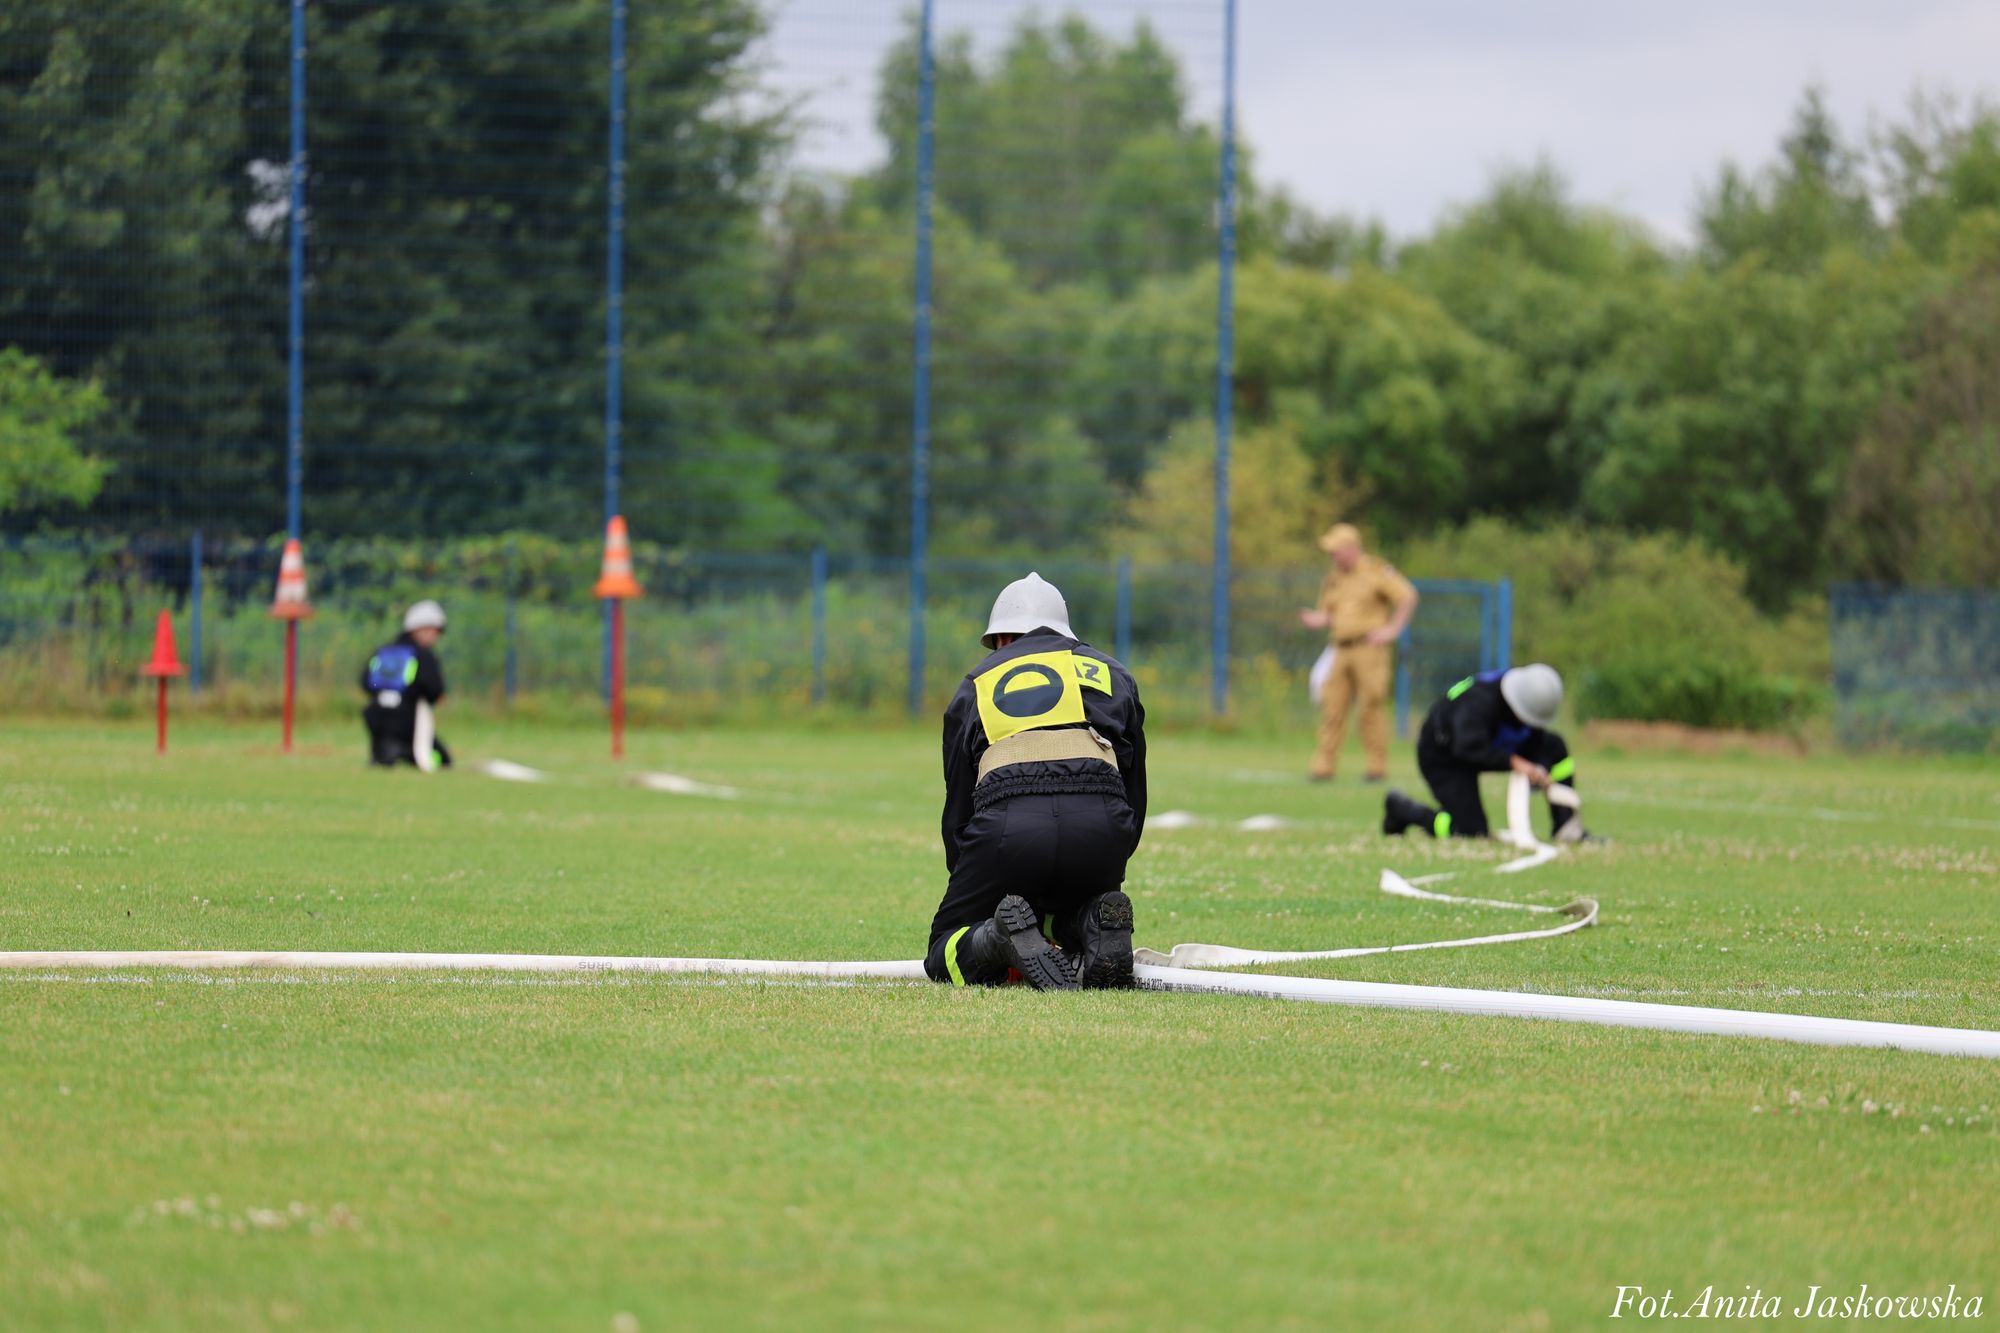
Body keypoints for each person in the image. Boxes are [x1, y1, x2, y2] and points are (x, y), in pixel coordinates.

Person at [925, 573, 1148, 991]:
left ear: (1001, 640)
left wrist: (976, 880)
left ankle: (997, 938)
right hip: (1101, 822)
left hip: (1008, 824)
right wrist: (1111, 856)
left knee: (944, 950)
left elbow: (957, 808)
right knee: (1074, 903)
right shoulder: (1114, 673)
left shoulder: (977, 682)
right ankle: (1091, 920)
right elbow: (1134, 791)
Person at [1382, 663, 1596, 842]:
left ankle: (1565, 826)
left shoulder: (1524, 694)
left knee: (1554, 747)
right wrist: (1514, 762)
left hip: (1487, 742)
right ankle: (1402, 809)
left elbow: (1535, 739)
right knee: (1470, 832)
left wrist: (1542, 769)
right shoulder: (1478, 703)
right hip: (1445, 756)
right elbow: (1468, 747)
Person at [1297, 523, 1418, 783]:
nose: (1333, 557)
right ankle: (1323, 767)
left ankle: (1376, 768)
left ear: (1351, 549)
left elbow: (1408, 596)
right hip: (1339, 648)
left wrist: (1393, 629)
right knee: (1332, 708)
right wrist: (1317, 620)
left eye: (1336, 551)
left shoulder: (1376, 571)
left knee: (1370, 708)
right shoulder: (1334, 578)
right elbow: (1329, 613)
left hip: (1369, 649)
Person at [360, 600, 451, 769]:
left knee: (384, 749)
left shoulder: (384, 651)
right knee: (442, 759)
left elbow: (366, 682)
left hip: (375, 716)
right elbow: (433, 688)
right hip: (408, 719)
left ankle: (384, 754)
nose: (435, 636)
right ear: (418, 629)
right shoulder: (423, 655)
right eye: (433, 630)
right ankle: (403, 752)